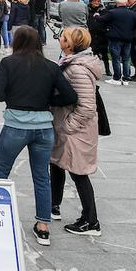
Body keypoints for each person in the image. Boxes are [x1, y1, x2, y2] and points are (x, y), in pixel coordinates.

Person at [0, 25, 78, 247]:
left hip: (16, 125)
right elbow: (69, 95)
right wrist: (47, 101)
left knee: (1, 170)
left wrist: (14, 97)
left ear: (16, 42)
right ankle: (43, 226)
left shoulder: (9, 63)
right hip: (43, 127)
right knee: (41, 177)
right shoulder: (50, 66)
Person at [50, 27, 104, 237]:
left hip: (76, 131)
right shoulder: (70, 62)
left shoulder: (79, 69)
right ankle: (53, 206)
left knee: (78, 173)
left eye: (62, 38)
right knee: (56, 164)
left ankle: (91, 222)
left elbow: (87, 107)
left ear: (70, 44)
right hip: (66, 126)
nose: (59, 39)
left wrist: (67, 126)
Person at [97, 0, 136, 86]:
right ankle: (126, 78)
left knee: (116, 59)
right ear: (126, 3)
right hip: (128, 39)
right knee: (126, 59)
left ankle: (117, 78)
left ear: (117, 3)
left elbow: (102, 20)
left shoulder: (112, 12)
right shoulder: (133, 14)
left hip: (115, 38)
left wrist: (97, 16)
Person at [86, 0, 111, 76]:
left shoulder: (104, 11)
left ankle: (107, 70)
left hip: (102, 35)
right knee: (92, 54)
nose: (96, 2)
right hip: (91, 35)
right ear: (91, 2)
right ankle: (93, 70)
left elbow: (107, 21)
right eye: (94, 1)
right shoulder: (87, 10)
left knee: (104, 54)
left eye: (98, 1)